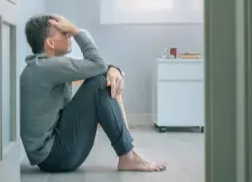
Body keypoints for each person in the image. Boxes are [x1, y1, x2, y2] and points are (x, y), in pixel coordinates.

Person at [19, 13, 167, 173]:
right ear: (50, 43)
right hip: (56, 157)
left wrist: (113, 69)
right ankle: (127, 155)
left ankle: (128, 153)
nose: (68, 34)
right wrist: (76, 30)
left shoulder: (41, 66)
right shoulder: (48, 67)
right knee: (99, 83)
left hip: (52, 154)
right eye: (64, 32)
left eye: (68, 31)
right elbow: (97, 66)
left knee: (100, 79)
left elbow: (96, 68)